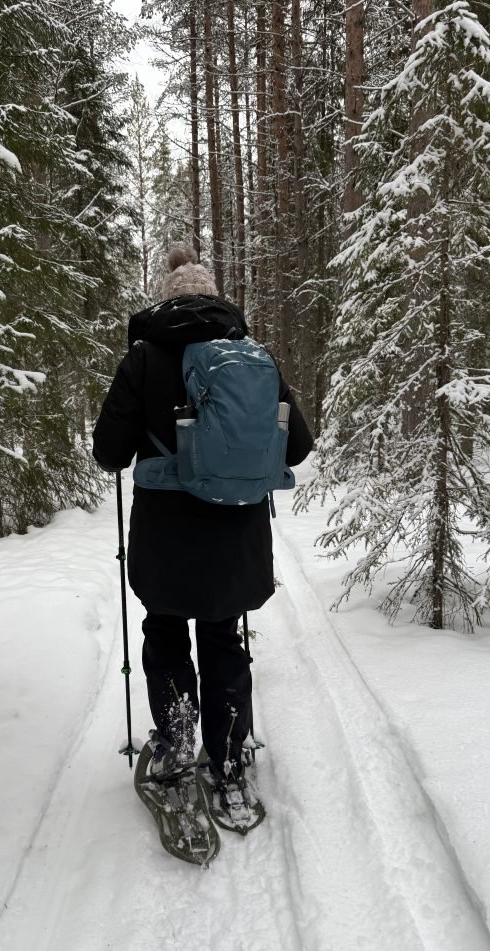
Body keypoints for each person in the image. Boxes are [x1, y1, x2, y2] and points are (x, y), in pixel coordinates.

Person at [92, 243, 312, 789]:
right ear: (217, 300)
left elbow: (109, 452)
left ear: (164, 302)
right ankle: (230, 755)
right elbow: (299, 447)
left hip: (165, 534)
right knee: (222, 637)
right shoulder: (252, 357)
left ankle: (175, 744)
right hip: (235, 533)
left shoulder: (143, 359)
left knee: (165, 633)